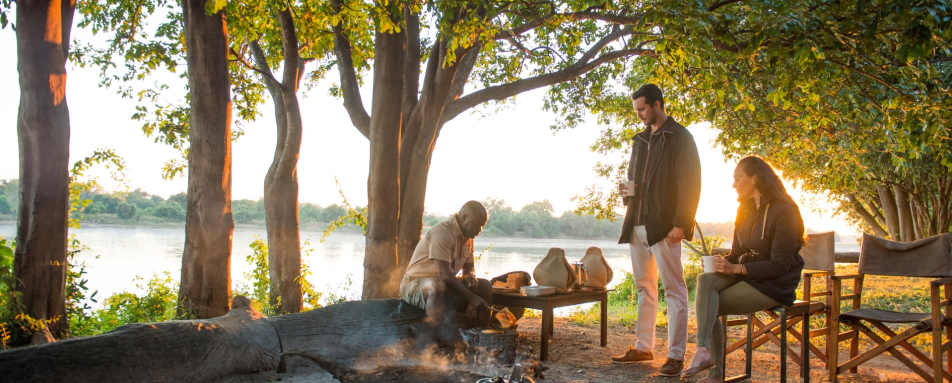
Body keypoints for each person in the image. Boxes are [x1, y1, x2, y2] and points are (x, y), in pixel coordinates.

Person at [682, 156, 805, 382]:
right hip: (746, 276)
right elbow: (737, 253)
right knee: (706, 280)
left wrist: (736, 269)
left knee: (710, 304)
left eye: (738, 178)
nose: (734, 184)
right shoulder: (744, 209)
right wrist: (721, 262)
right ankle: (703, 351)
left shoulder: (785, 211)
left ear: (755, 179)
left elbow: (780, 265)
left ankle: (715, 374)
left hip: (774, 285)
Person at [611, 84, 701, 377]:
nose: (639, 115)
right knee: (644, 288)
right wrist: (627, 192)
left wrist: (682, 223)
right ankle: (643, 346)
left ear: (658, 104)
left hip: (665, 225)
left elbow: (690, 183)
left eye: (642, 109)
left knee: (674, 290)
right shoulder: (639, 140)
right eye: (636, 109)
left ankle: (676, 355)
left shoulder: (680, 137)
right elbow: (632, 178)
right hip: (637, 222)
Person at [399, 200, 491, 345]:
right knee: (438, 286)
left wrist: (469, 277)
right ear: (463, 217)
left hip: (444, 281)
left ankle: (476, 336)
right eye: (476, 225)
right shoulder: (442, 233)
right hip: (415, 283)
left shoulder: (468, 237)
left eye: (482, 226)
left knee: (484, 285)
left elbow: (469, 267)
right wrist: (471, 297)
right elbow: (445, 274)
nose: (479, 230)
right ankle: (432, 341)